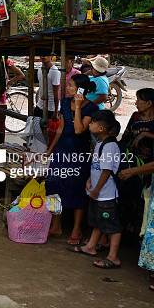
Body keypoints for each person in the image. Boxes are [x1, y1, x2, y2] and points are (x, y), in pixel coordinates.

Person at [46, 74, 100, 244]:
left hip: (79, 154)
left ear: (81, 90)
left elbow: (79, 130)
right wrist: (51, 149)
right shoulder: (65, 102)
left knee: (76, 188)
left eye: (71, 85)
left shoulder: (91, 108)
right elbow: (61, 128)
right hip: (62, 150)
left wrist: (77, 106)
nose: (68, 88)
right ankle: (56, 225)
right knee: (55, 185)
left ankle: (77, 229)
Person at [73, 110, 123, 269]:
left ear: (101, 128)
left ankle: (113, 256)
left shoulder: (109, 146)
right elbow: (97, 167)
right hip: (98, 193)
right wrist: (90, 180)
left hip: (106, 194)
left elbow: (107, 171)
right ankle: (91, 247)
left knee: (112, 226)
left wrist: (97, 190)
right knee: (98, 222)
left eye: (93, 122)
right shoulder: (101, 143)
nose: (90, 124)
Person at [118, 88, 154, 292]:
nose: (136, 103)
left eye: (139, 100)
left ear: (149, 103)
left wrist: (147, 135)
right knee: (127, 200)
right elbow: (125, 139)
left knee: (144, 207)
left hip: (146, 171)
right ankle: (126, 238)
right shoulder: (134, 117)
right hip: (131, 165)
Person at [34, 56, 60, 120]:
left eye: (47, 54)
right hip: (40, 104)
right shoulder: (40, 69)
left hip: (51, 107)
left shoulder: (54, 71)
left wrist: (56, 112)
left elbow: (56, 93)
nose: (44, 56)